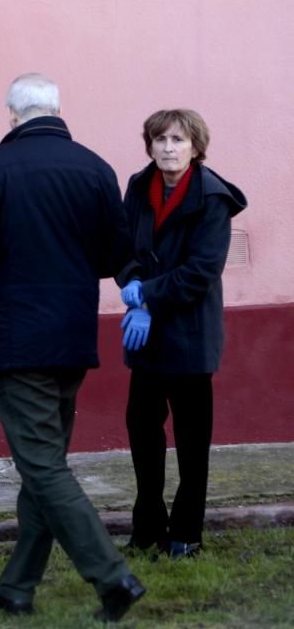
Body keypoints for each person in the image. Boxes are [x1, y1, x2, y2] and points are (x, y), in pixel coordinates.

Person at [0, 72, 145, 621]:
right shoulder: (96, 168)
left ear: (12, 115)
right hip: (72, 338)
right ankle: (17, 589)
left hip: (16, 342)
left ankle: (112, 578)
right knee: (45, 464)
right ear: (57, 110)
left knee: (44, 469)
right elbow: (115, 256)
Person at [117, 109, 246, 559]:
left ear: (196, 146)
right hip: (146, 339)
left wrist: (147, 298)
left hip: (189, 335)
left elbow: (201, 271)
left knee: (192, 439)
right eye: (160, 139)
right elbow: (124, 248)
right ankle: (148, 525)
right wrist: (132, 285)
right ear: (149, 145)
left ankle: (186, 532)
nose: (169, 148)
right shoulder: (137, 187)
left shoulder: (213, 197)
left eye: (178, 139)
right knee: (142, 429)